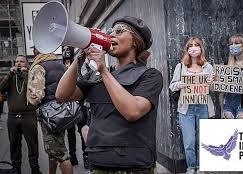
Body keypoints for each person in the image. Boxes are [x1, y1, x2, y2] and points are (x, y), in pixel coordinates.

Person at [56, 16, 163, 174]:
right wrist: (80, 56)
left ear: (136, 40)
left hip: (135, 167)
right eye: (110, 32)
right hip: (99, 164)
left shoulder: (150, 76)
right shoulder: (95, 76)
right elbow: (62, 95)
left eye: (119, 31)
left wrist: (104, 71)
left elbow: (132, 111)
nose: (112, 35)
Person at [169, 36, 214, 174]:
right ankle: (191, 167)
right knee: (189, 142)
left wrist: (212, 83)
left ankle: (201, 167)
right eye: (191, 46)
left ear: (201, 48)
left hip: (203, 107)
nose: (194, 48)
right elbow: (172, 86)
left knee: (203, 140)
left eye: (197, 45)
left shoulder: (208, 66)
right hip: (186, 108)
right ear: (187, 50)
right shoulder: (181, 66)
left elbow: (212, 89)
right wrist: (181, 84)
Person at [27, 48, 73, 174]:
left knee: (61, 154)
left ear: (37, 52)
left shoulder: (39, 67)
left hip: (49, 114)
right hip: (62, 112)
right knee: (54, 150)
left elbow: (36, 96)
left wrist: (30, 99)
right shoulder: (61, 66)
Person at [0, 55, 42, 174]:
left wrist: (26, 74)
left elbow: (34, 88)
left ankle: (35, 169)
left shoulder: (31, 76)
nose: (19, 63)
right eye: (17, 61)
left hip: (28, 116)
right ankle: (16, 169)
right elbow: (1, 88)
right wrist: (10, 74)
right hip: (12, 116)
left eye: (22, 61)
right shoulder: (10, 77)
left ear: (26, 64)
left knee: (32, 144)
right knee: (14, 144)